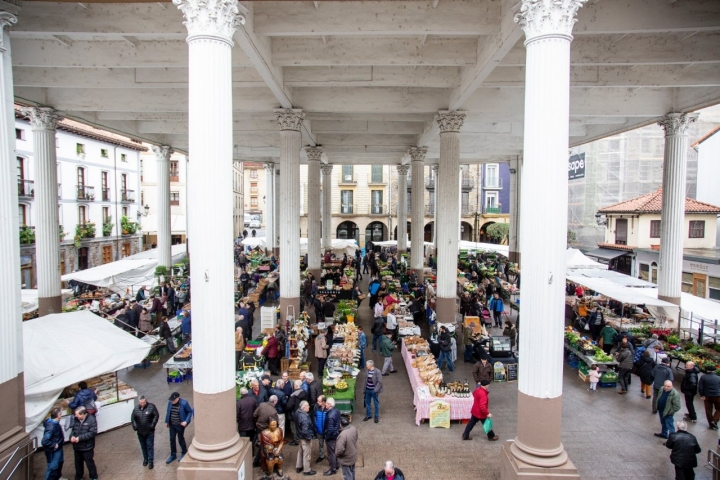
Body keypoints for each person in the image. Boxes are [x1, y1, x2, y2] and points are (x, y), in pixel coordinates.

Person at [131, 395, 159, 469]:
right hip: (140, 431)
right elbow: (133, 418)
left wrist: (152, 425)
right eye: (141, 403)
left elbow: (156, 415)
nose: (142, 404)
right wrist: (135, 426)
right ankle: (145, 459)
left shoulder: (151, 407)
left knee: (149, 446)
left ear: (145, 401)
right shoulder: (136, 409)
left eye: (143, 402)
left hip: (149, 431)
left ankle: (150, 461)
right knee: (143, 446)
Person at [69, 406, 98, 480]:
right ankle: (79, 476)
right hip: (77, 447)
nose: (76, 416)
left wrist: (79, 438)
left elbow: (92, 433)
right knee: (78, 464)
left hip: (87, 447)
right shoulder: (76, 419)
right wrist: (71, 436)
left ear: (83, 414)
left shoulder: (91, 419)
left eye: (77, 415)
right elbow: (73, 430)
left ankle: (93, 476)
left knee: (89, 463)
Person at [165, 392, 193, 463]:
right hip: (172, 424)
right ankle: (173, 455)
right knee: (172, 439)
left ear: (177, 398)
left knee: (180, 438)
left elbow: (190, 412)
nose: (172, 401)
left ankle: (184, 451)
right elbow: (168, 411)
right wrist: (167, 421)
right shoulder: (170, 402)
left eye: (174, 400)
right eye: (172, 400)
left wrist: (186, 421)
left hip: (180, 425)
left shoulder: (184, 403)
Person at [253, 396, 279, 467]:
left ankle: (255, 458)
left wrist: (257, 422)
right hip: (266, 430)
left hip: (258, 427)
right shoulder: (273, 411)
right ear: (275, 401)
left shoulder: (262, 405)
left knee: (258, 442)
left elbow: (254, 414)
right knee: (264, 446)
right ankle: (259, 462)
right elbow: (275, 423)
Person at [41, 407, 65, 480]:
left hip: (58, 448)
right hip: (53, 451)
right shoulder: (51, 427)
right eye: (61, 413)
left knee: (59, 463)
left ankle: (57, 477)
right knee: (52, 467)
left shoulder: (55, 423)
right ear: (58, 415)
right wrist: (54, 445)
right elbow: (44, 441)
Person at [294, 400, 316, 476]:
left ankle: (299, 466)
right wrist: (309, 438)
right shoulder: (304, 417)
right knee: (307, 453)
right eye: (307, 406)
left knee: (300, 451)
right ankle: (307, 470)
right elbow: (305, 431)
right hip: (305, 438)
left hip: (299, 436)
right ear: (303, 407)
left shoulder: (297, 412)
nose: (309, 407)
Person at [698, 364, 720, 430]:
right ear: (714, 371)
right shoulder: (718, 378)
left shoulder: (703, 377)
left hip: (707, 396)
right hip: (717, 395)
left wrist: (702, 395)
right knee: (719, 409)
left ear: (707, 370)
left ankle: (711, 424)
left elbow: (700, 387)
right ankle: (714, 420)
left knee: (708, 410)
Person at [286, 380, 307, 445]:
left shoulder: (293, 395)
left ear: (295, 386)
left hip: (294, 414)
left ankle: (296, 440)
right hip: (302, 413)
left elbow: (289, 406)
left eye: (294, 384)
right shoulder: (304, 392)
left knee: (294, 427)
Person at [323, 397, 341, 476]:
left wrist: (326, 437)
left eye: (326, 403)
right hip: (336, 434)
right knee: (334, 451)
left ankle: (333, 469)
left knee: (331, 453)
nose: (325, 404)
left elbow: (330, 429)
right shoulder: (336, 411)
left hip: (331, 437)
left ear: (329, 405)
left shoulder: (330, 415)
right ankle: (336, 464)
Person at [314, 395, 329, 465]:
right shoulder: (316, 407)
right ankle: (321, 455)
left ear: (323, 402)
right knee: (320, 444)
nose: (317, 402)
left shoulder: (328, 408)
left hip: (327, 431)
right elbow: (314, 416)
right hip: (319, 429)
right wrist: (315, 426)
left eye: (319, 401)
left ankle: (330, 456)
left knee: (328, 444)